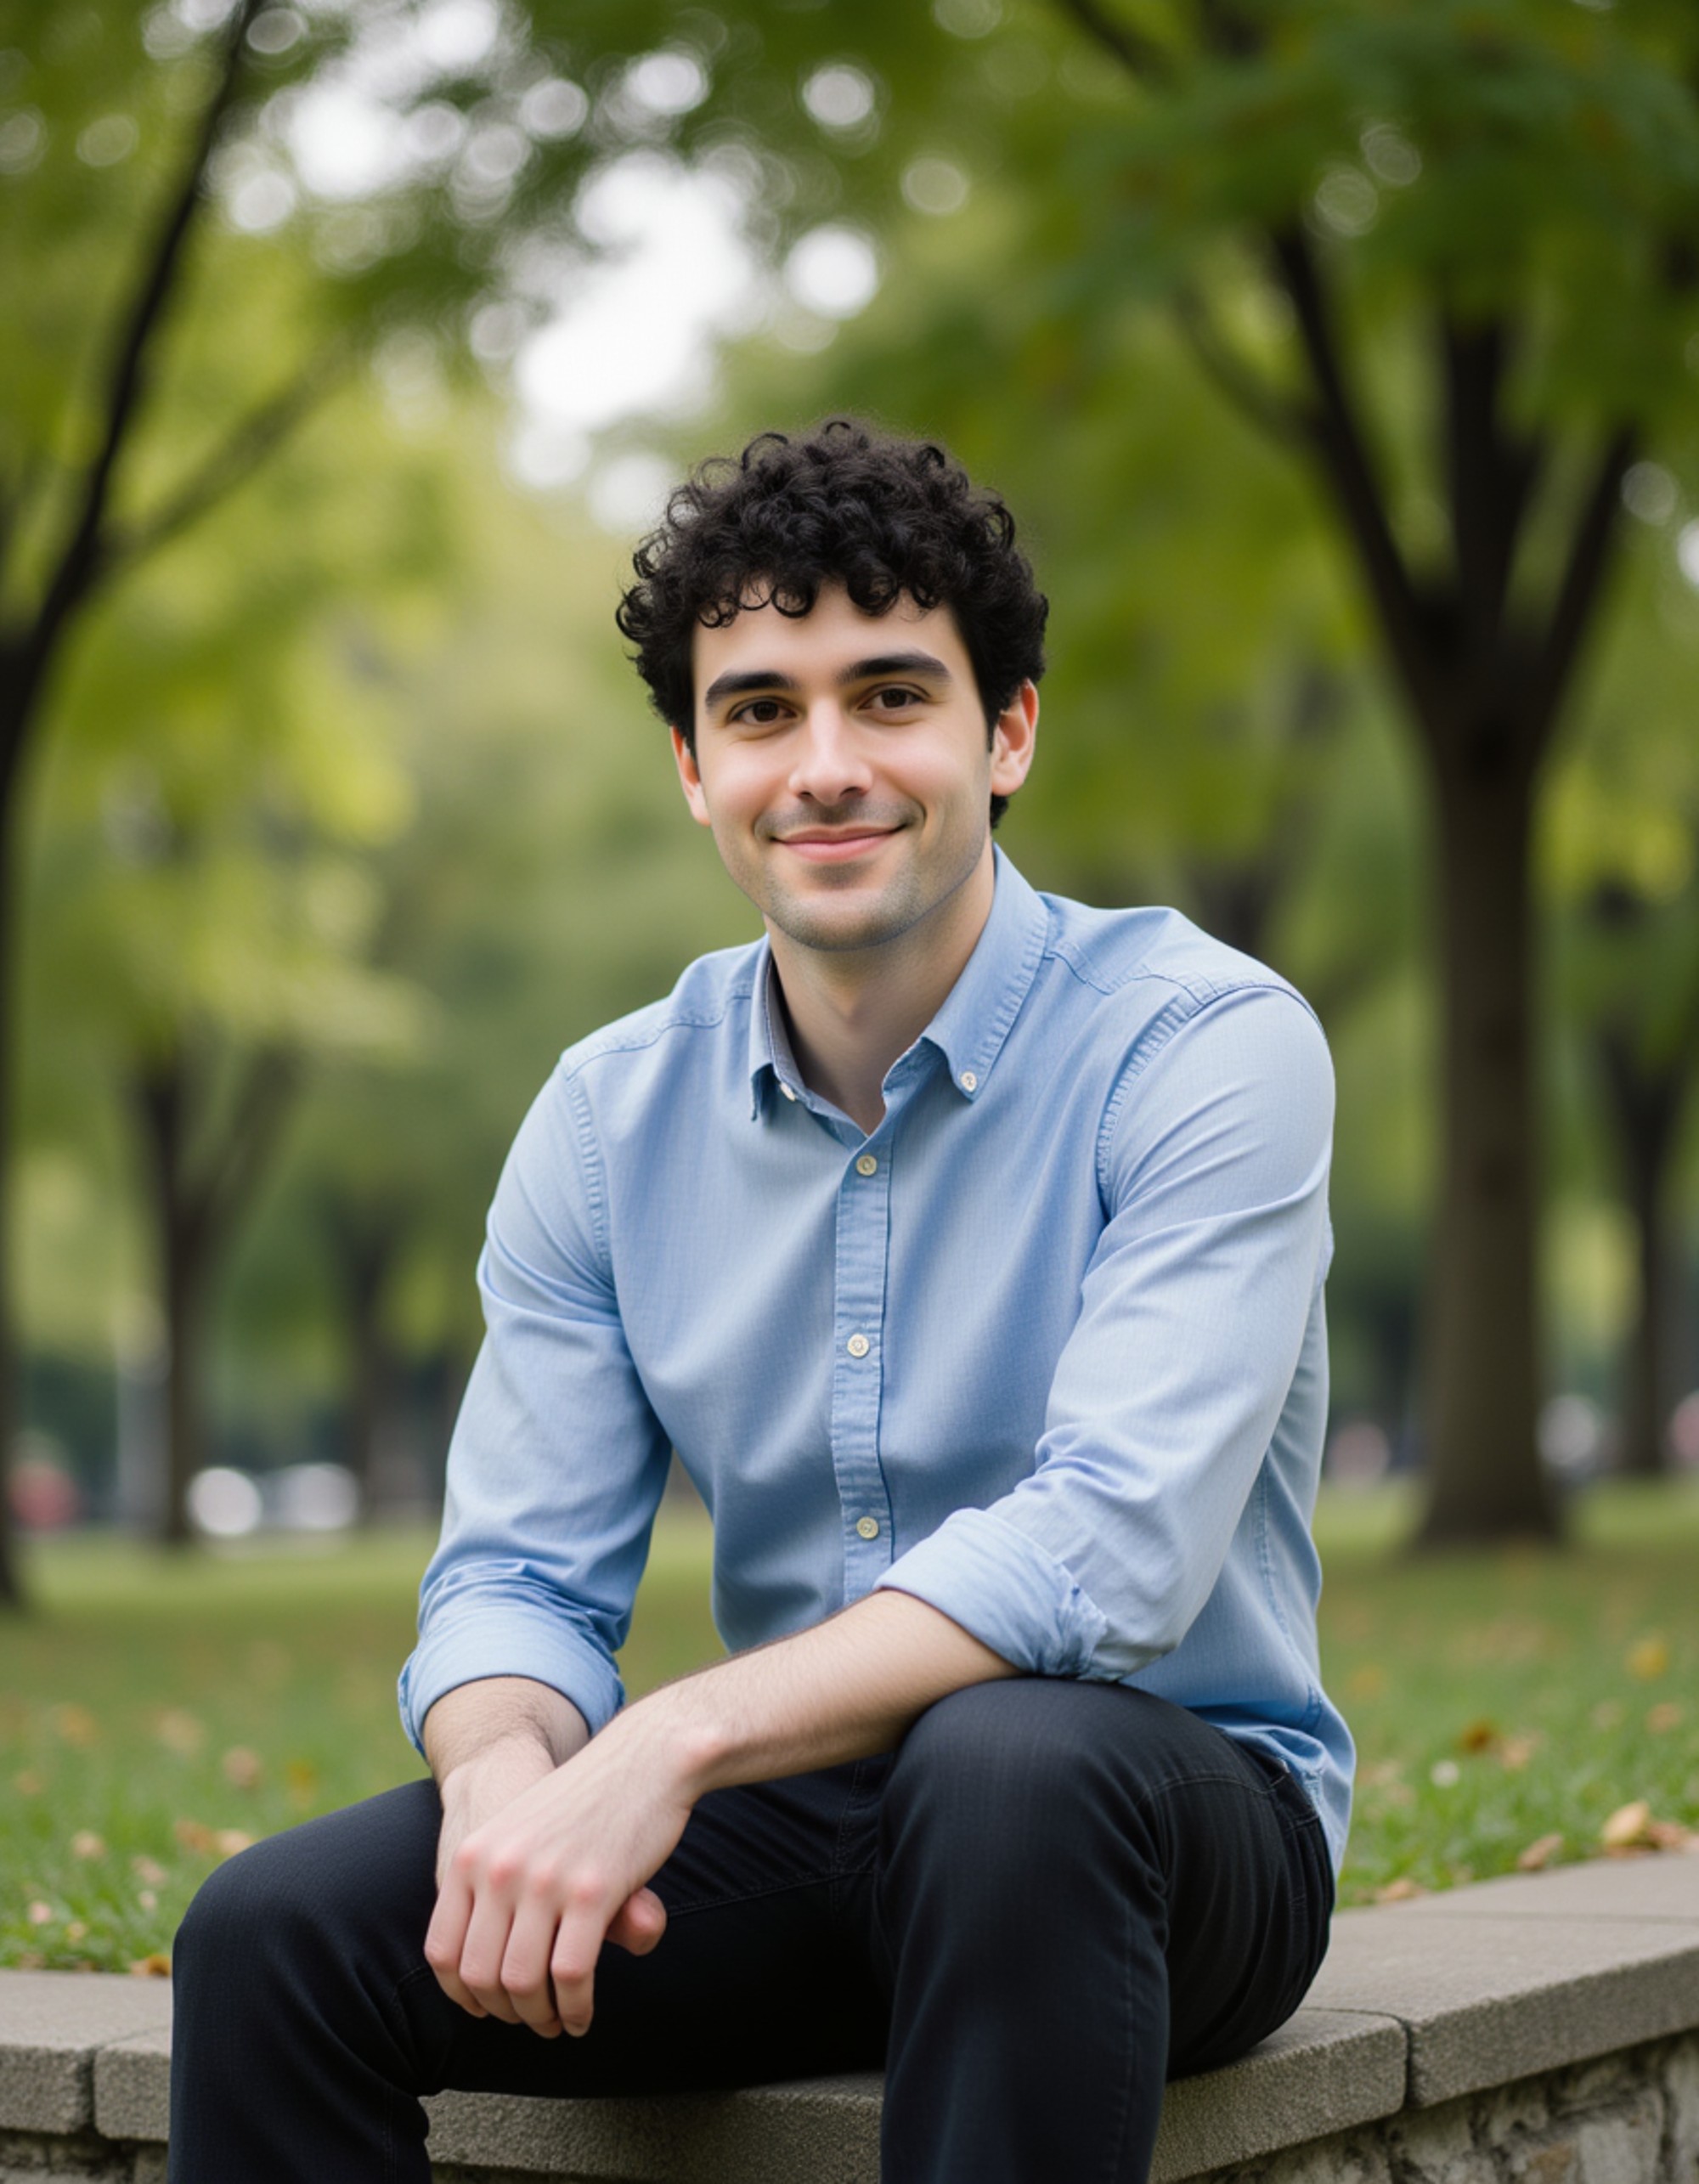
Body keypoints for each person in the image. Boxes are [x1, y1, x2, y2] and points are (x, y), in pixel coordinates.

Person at [169, 420, 1351, 2184]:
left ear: (1005, 727)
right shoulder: (604, 1114)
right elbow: (511, 1573)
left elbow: (1109, 1546)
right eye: (759, 709)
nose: (825, 765)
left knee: (1006, 1765)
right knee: (275, 1932)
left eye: (890, 695)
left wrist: (672, 1736)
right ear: (691, 763)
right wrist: (506, 1788)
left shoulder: (1204, 1043)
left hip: (1157, 1825)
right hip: (808, 1829)